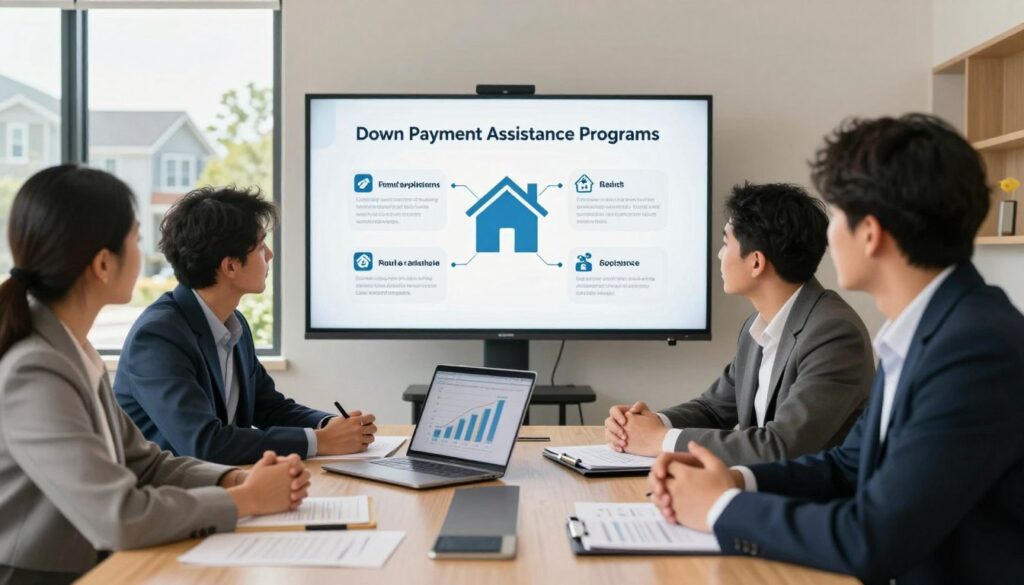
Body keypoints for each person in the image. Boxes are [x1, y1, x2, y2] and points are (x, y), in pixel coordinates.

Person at [648, 114, 1024, 584]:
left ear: (870, 233)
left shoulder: (975, 350)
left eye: (839, 216)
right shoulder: (925, 329)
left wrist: (722, 508)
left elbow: (872, 538)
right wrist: (738, 481)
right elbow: (849, 465)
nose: (828, 237)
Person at [0, 166, 310, 585]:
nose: (146, 254)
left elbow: (144, 463)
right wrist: (245, 498)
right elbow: (120, 517)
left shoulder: (73, 348)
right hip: (43, 575)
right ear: (105, 263)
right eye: (136, 239)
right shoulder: (36, 369)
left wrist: (234, 477)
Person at [605, 182, 874, 464]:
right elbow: (713, 409)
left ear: (756, 262)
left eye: (725, 243)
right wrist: (645, 424)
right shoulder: (756, 327)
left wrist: (660, 440)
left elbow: (781, 447)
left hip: (810, 502)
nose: (720, 255)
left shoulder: (833, 334)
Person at [115, 186, 376, 465]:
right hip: (169, 497)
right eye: (261, 246)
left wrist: (329, 424)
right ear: (230, 267)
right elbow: (204, 443)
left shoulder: (233, 323)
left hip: (219, 485)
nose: (270, 255)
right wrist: (319, 442)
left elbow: (268, 407)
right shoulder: (158, 337)